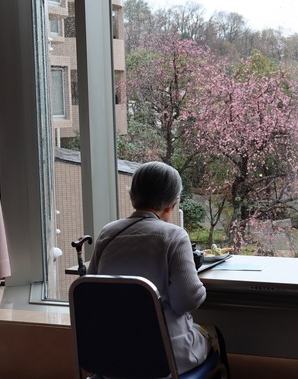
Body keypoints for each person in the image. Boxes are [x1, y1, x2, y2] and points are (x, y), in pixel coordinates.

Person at [88, 161, 228, 376]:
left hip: (110, 358)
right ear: (171, 203)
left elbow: (92, 291)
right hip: (164, 359)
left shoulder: (107, 233)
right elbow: (187, 301)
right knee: (213, 333)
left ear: (132, 197)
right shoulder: (174, 235)